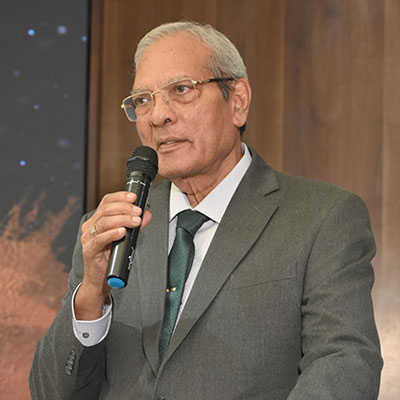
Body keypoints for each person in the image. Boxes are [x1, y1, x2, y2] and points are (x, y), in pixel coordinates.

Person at [29, 21, 382, 399]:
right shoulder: (111, 231)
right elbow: (50, 392)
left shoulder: (321, 218)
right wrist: (91, 295)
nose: (158, 116)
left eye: (181, 90)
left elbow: (345, 364)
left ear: (238, 101)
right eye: (143, 100)